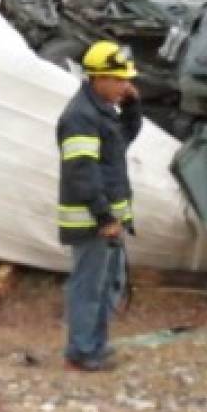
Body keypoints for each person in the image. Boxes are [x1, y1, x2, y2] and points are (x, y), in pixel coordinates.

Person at [57, 40, 142, 373]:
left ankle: (95, 345)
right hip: (92, 222)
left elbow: (121, 142)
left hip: (108, 221)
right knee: (89, 287)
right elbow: (81, 173)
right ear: (98, 78)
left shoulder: (101, 113)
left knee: (109, 284)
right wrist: (104, 215)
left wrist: (133, 107)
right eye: (119, 80)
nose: (125, 86)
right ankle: (80, 352)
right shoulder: (80, 117)